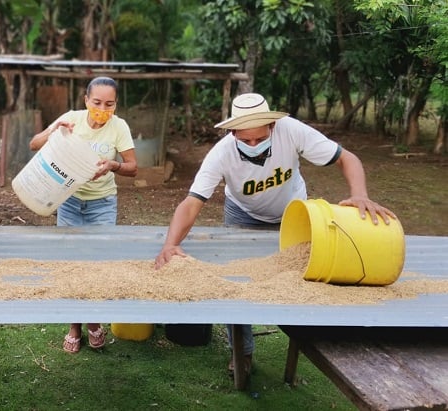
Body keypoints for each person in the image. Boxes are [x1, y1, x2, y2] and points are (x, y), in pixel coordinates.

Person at [154, 92, 396, 375]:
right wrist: (170, 245)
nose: (253, 145)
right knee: (236, 282)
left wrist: (360, 195)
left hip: (294, 215)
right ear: (232, 133)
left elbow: (347, 158)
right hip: (243, 215)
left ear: (271, 127)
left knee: (306, 275)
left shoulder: (292, 131)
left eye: (260, 138)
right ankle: (241, 354)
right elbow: (192, 202)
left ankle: (308, 343)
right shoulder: (221, 153)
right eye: (245, 141)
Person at [30, 76, 137, 353]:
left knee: (98, 266)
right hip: (70, 201)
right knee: (72, 265)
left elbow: (133, 167)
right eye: (97, 102)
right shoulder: (71, 119)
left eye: (109, 104)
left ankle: (93, 322)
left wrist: (113, 165)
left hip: (102, 203)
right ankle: (75, 326)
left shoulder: (119, 127)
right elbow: (34, 144)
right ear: (86, 100)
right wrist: (54, 128)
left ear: (116, 104)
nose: (103, 108)